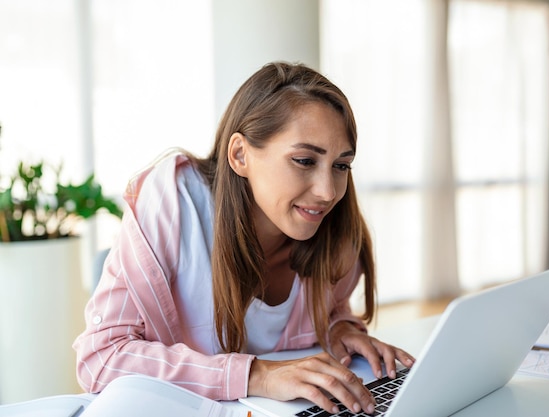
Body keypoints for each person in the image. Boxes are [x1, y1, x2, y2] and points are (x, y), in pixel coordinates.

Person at [73, 61, 415, 415]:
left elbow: (330, 309)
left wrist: (341, 329)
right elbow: (101, 357)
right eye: (303, 160)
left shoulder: (334, 232)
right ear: (240, 154)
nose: (328, 192)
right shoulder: (175, 205)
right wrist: (257, 375)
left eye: (341, 165)